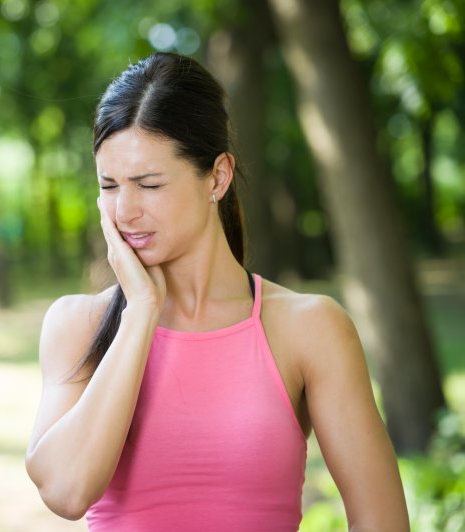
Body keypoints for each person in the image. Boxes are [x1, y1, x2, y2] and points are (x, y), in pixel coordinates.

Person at [24, 52, 409, 531]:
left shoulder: (309, 327)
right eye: (109, 185)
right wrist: (141, 312)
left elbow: (383, 523)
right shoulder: (76, 326)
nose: (125, 211)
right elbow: (66, 491)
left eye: (148, 184)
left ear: (218, 177)